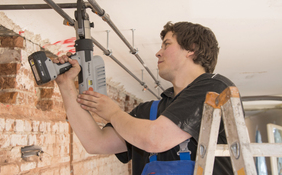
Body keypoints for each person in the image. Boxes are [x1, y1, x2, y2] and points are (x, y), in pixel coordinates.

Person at [54, 21, 234, 174]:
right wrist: (65, 84)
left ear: (191, 49)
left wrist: (114, 113)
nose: (158, 52)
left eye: (166, 44)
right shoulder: (149, 111)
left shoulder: (214, 89)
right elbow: (96, 142)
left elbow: (156, 139)